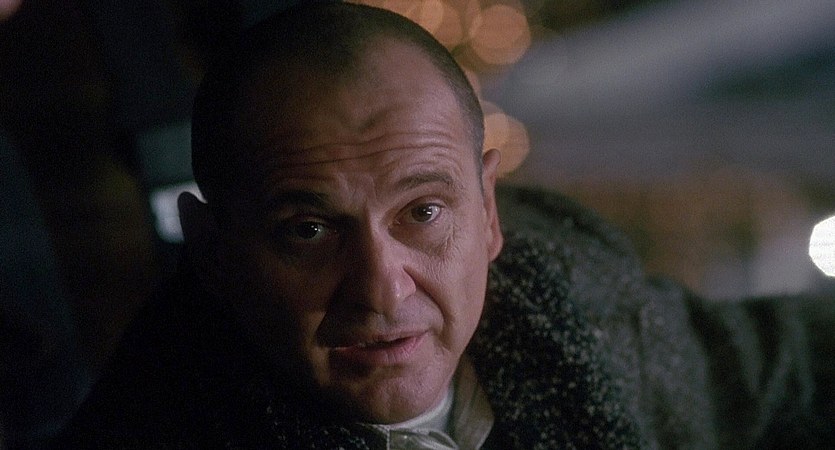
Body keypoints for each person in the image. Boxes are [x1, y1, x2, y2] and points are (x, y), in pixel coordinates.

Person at [54, 2, 833, 448]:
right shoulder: (150, 425)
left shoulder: (584, 313)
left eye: (422, 212)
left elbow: (785, 365)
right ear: (212, 252)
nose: (381, 289)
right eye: (308, 231)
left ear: (488, 212)